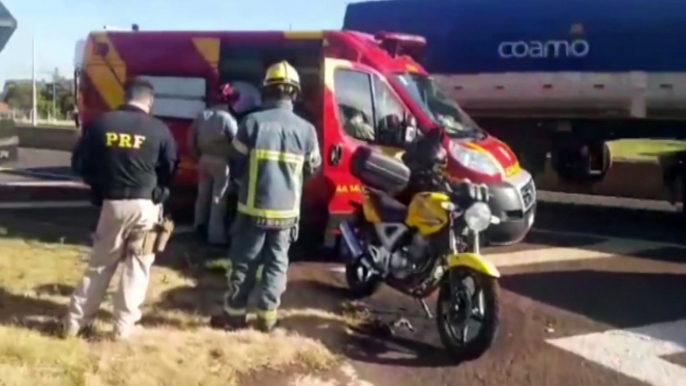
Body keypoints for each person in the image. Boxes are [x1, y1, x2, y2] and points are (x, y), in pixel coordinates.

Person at [210, 61, 322, 333]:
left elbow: (235, 163)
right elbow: (313, 168)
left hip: (252, 210)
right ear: (294, 94)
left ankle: (234, 315)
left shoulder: (251, 123)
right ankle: (267, 320)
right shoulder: (307, 131)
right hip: (286, 214)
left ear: (267, 92)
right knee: (276, 264)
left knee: (244, 262)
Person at [64, 78, 179, 340]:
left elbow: (80, 163)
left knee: (101, 265)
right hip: (146, 207)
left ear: (125, 96)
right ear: (149, 101)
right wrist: (161, 190)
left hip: (112, 204)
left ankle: (75, 322)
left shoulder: (101, 124)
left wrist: (98, 186)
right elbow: (170, 167)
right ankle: (123, 329)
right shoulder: (160, 129)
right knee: (138, 267)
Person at [187, 83, 239, 245]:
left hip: (204, 160)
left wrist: (197, 157)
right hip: (222, 162)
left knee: (202, 197)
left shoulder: (202, 115)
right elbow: (237, 142)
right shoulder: (227, 118)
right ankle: (215, 237)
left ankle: (198, 229)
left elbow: (191, 140)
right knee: (218, 198)